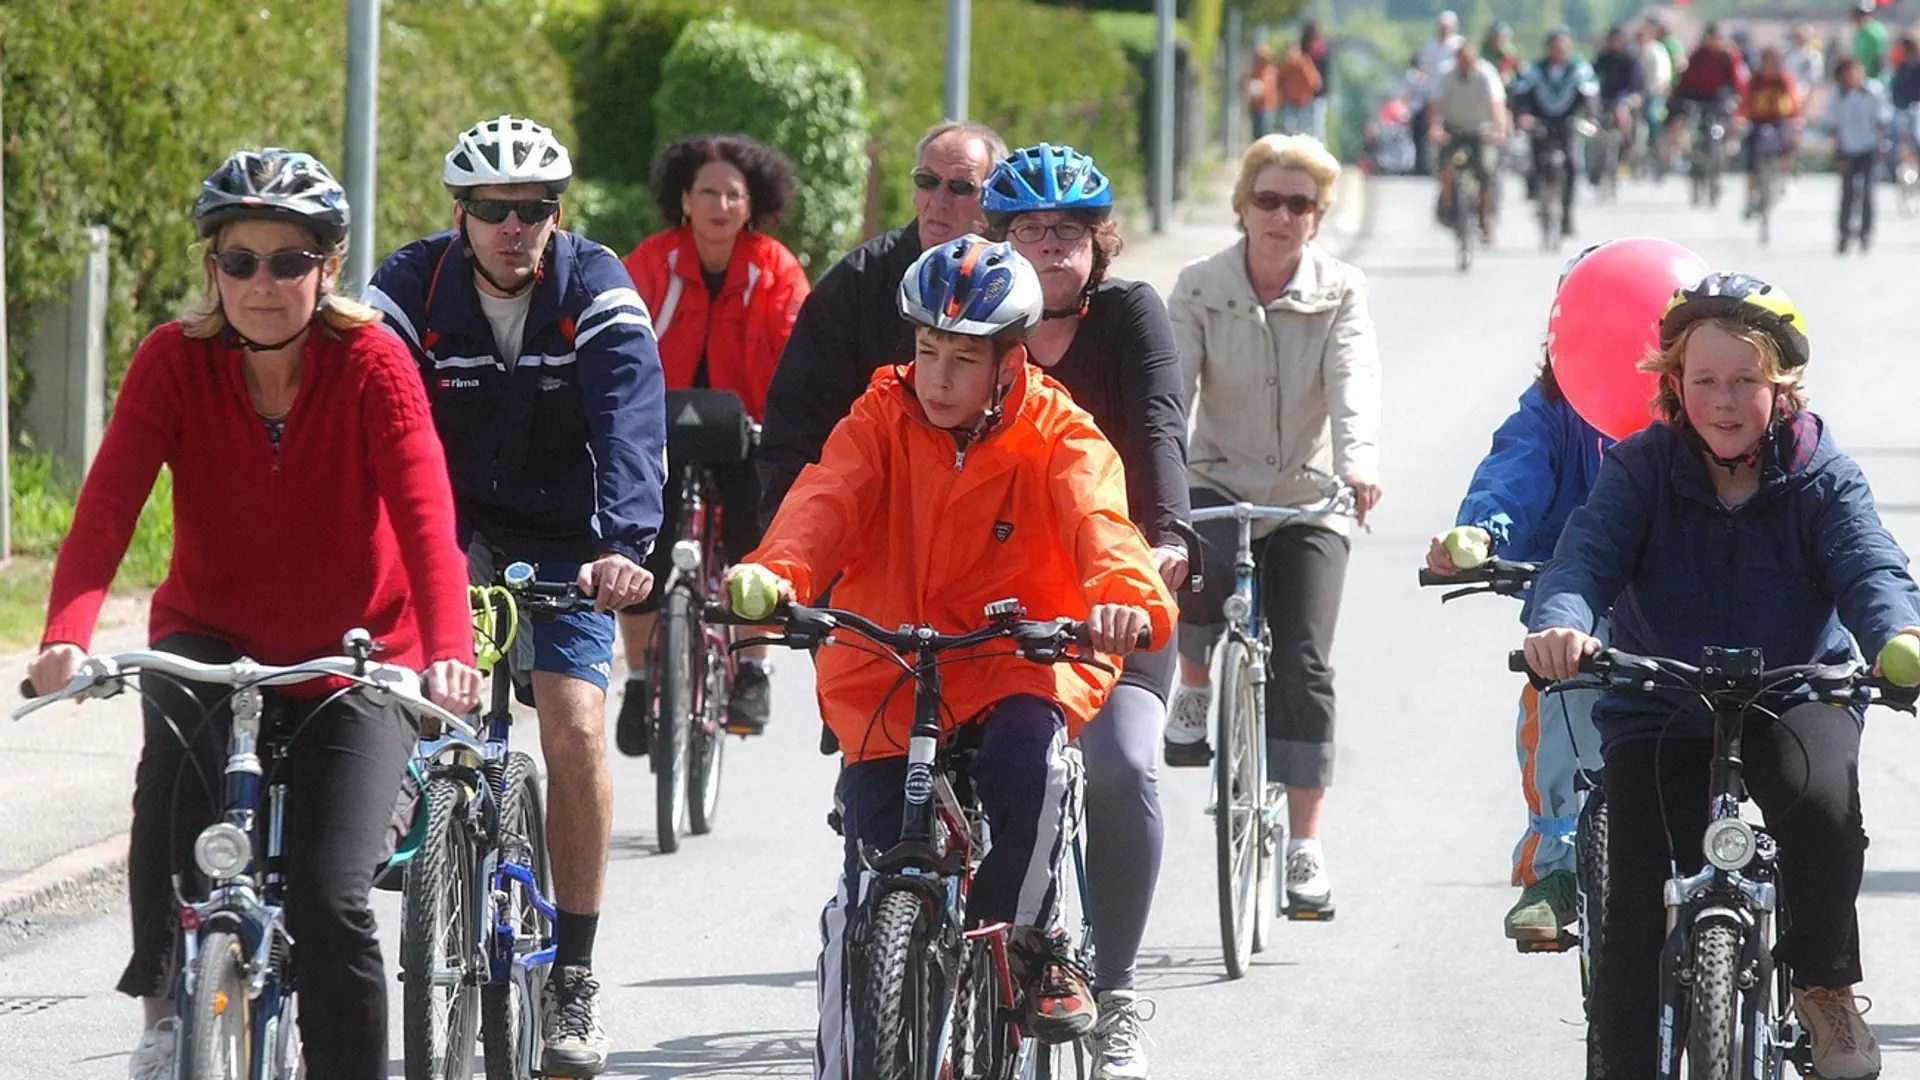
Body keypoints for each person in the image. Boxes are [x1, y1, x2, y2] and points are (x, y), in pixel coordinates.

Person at [28, 148, 482, 1080]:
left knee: (331, 898)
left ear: (327, 270)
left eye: (288, 261)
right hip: (214, 637)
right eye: (240, 261)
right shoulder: (173, 360)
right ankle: (164, 1021)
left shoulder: (372, 364)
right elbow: (107, 507)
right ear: (213, 271)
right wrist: (66, 638)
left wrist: (448, 652)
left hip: (357, 656)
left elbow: (427, 515)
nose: (263, 284)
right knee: (172, 780)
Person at [728, 236, 1176, 1078]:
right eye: (926, 350)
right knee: (862, 894)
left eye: (961, 359)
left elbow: (1102, 523)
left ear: (1011, 361)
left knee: (1033, 766)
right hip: (890, 667)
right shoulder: (879, 417)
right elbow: (823, 499)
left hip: (1015, 656)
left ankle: (1036, 946)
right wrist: (772, 572)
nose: (935, 376)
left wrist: (1124, 597)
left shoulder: (1060, 432)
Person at [1522, 271, 1920, 1080]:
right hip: (1659, 700)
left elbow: (1870, 566)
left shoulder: (1820, 471)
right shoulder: (1640, 468)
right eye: (1704, 381)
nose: (1726, 401)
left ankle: (1824, 988)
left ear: (1782, 386)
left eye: (1746, 381)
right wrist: (1560, 621)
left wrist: (1899, 635)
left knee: (1823, 814)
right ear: (1673, 386)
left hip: (1793, 692)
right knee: (1632, 908)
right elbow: (1585, 557)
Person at [365, 115, 668, 1077]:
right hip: (441, 527)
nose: (514, 227)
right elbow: (367, 416)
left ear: (556, 213)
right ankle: (404, 815)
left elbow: (631, 419)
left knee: (575, 727)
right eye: (493, 210)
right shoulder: (408, 287)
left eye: (533, 210)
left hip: (565, 538)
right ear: (461, 213)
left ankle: (573, 974)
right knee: (403, 695)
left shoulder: (596, 286)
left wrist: (623, 545)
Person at [982, 142, 1189, 1080]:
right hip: (1003, 598)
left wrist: (1167, 538)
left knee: (1123, 765)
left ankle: (1117, 994)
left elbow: (1157, 421)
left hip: (1117, 591)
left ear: (1098, 242)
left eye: (1068, 231)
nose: (1049, 247)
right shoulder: (981, 322)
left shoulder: (1131, 313)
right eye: (1028, 230)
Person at [1161, 135, 1382, 919]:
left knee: (1305, 660)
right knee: (1192, 566)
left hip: (1307, 492)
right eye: (1269, 200)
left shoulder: (1341, 290)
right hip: (1216, 476)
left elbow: (1352, 378)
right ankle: (1193, 684)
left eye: (1300, 204)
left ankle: (1304, 845)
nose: (1282, 216)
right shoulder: (1197, 285)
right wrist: (1155, 483)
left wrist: (1359, 463)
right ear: (1243, 206)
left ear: (1317, 218)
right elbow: (1169, 396)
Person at [1425, 282, 1612, 943]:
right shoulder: (1555, 408)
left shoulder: (1696, 403)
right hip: (1572, 605)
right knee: (1555, 690)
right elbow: (1514, 469)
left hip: (1682, 605)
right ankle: (1556, 868)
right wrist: (1482, 532)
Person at [613, 134, 808, 747]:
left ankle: (753, 668)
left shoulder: (774, 267)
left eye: (733, 194)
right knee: (640, 544)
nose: (720, 204)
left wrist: (780, 424)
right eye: (707, 193)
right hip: (660, 430)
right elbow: (617, 340)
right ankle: (643, 679)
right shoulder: (652, 261)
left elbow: (796, 352)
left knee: (759, 536)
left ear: (752, 205)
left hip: (747, 429)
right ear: (685, 201)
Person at [758, 120, 1005, 526]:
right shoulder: (856, 280)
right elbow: (796, 419)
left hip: (985, 519)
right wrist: (792, 536)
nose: (939, 200)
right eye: (927, 181)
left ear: (992, 200)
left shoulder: (1016, 284)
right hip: (874, 520)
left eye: (960, 188)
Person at [1512, 28, 1599, 237]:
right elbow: (1521, 94)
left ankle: (1567, 215)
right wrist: (1523, 115)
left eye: (1564, 45)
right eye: (1556, 45)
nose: (1560, 49)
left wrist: (1591, 116)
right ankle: (1536, 193)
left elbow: (1590, 94)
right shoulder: (1535, 69)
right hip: (1541, 121)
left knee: (1572, 165)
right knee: (1537, 160)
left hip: (1567, 123)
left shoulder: (1578, 67)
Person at [1427, 39, 1510, 241]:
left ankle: (1485, 217)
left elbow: (1496, 106)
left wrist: (1499, 129)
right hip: (1454, 127)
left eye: (1471, 61)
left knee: (1485, 172)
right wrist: (1434, 128)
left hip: (1480, 129)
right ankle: (1448, 203)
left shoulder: (1486, 75)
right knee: (1446, 165)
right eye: (1463, 61)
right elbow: (1436, 106)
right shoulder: (1446, 75)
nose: (1467, 65)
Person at [1665, 23, 1748, 169]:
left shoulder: (1728, 56)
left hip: (1720, 96)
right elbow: (1687, 79)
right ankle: (1687, 153)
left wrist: (1738, 97)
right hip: (1699, 96)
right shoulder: (1699, 55)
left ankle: (1727, 149)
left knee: (1728, 120)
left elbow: (1737, 80)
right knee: (1685, 120)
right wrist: (1677, 96)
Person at [1828, 57, 1887, 254]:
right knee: (1848, 192)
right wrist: (1838, 151)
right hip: (1847, 148)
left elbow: (1882, 120)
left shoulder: (1874, 91)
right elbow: (1834, 125)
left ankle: (1865, 233)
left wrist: (1881, 146)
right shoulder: (1838, 94)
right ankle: (1844, 233)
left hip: (1869, 146)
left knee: (1868, 192)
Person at [1738, 45, 1801, 216]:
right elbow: (1745, 101)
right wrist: (1740, 118)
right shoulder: (1756, 80)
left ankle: (1785, 176)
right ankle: (1750, 198)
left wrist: (1796, 118)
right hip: (1758, 120)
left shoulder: (1784, 79)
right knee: (1751, 157)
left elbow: (1793, 100)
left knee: (1787, 145)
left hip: (1779, 120)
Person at [1411, 10, 1466, 175]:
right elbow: (1423, 70)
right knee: (1419, 123)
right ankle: (1421, 163)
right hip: (1432, 93)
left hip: (1455, 93)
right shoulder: (1430, 46)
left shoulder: (1459, 45)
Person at [1592, 25, 1644, 181]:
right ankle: (1595, 161)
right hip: (1604, 97)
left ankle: (1625, 147)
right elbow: (1592, 77)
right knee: (1594, 123)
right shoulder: (1603, 58)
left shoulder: (1630, 59)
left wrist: (1634, 96)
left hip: (1623, 97)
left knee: (1622, 115)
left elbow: (1636, 83)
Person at [1635, 22, 1675, 170]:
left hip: (1655, 92)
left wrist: (1652, 91)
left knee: (1652, 116)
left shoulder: (1657, 51)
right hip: (1639, 93)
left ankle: (1657, 145)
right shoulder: (1637, 52)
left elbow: (1661, 75)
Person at [1277, 41, 1324, 137]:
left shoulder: (1304, 63)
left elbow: (1315, 83)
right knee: (1289, 130)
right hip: (1289, 103)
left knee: (1303, 133)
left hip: (1303, 104)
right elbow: (1279, 83)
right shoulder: (1285, 66)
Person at [1302, 19, 1334, 143]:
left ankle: (1319, 146)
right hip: (1304, 92)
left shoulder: (1322, 49)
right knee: (1306, 123)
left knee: (1317, 122)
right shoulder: (1304, 48)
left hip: (1319, 91)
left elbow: (1325, 71)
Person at [1784, 24, 1826, 105]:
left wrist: (1809, 101)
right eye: (1798, 37)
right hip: (1788, 94)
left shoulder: (1813, 57)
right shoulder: (1786, 55)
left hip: (1804, 94)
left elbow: (1815, 81)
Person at [1247, 43, 1281, 140]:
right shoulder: (1254, 71)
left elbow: (1270, 88)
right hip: (1256, 107)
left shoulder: (1271, 71)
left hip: (1267, 107)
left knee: (1266, 135)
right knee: (1256, 135)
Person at [1852, 0, 1890, 83]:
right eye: (1856, 14)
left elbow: (1881, 59)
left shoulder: (1876, 32)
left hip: (1877, 79)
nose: (1858, 17)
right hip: (1862, 79)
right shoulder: (1858, 34)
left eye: (1861, 14)